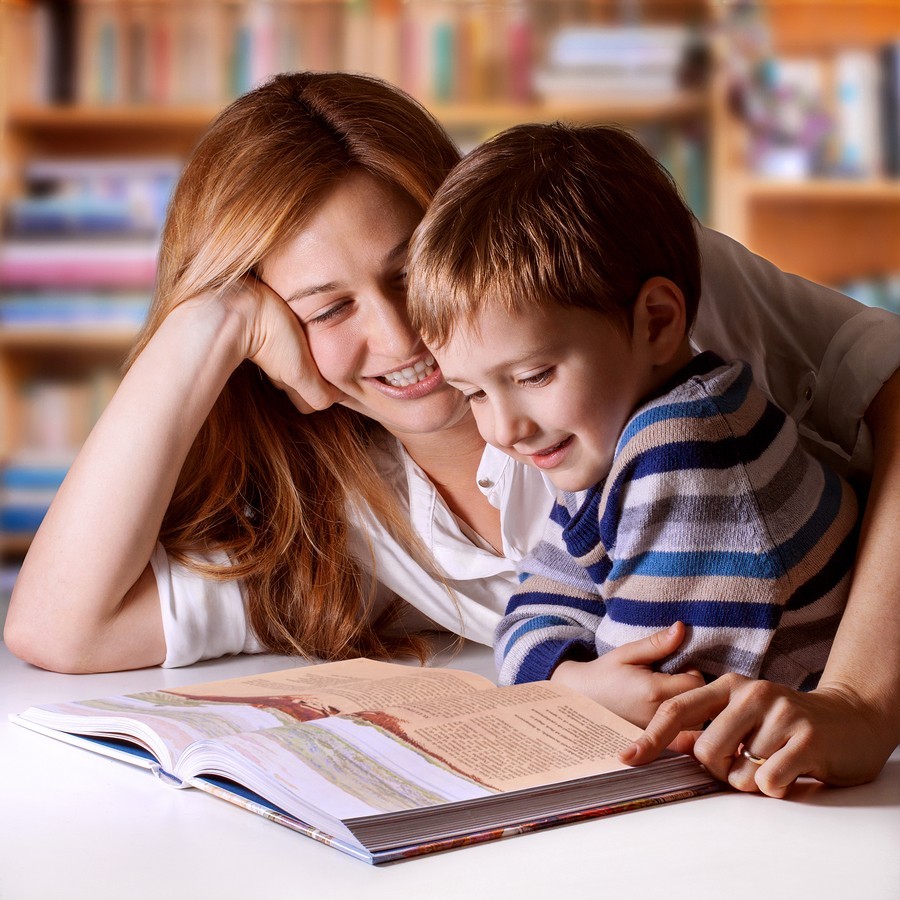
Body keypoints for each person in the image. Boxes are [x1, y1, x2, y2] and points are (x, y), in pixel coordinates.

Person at [4, 72, 900, 798]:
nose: (401, 339)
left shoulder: (608, 281)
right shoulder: (340, 511)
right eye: (327, 308)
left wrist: (861, 699)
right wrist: (206, 326)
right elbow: (59, 629)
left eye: (408, 272)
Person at [405, 122, 859, 732]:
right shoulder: (604, 443)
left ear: (658, 321)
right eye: (473, 394)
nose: (504, 429)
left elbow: (661, 697)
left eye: (535, 374)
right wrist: (570, 677)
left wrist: (569, 684)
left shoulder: (690, 446)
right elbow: (534, 607)